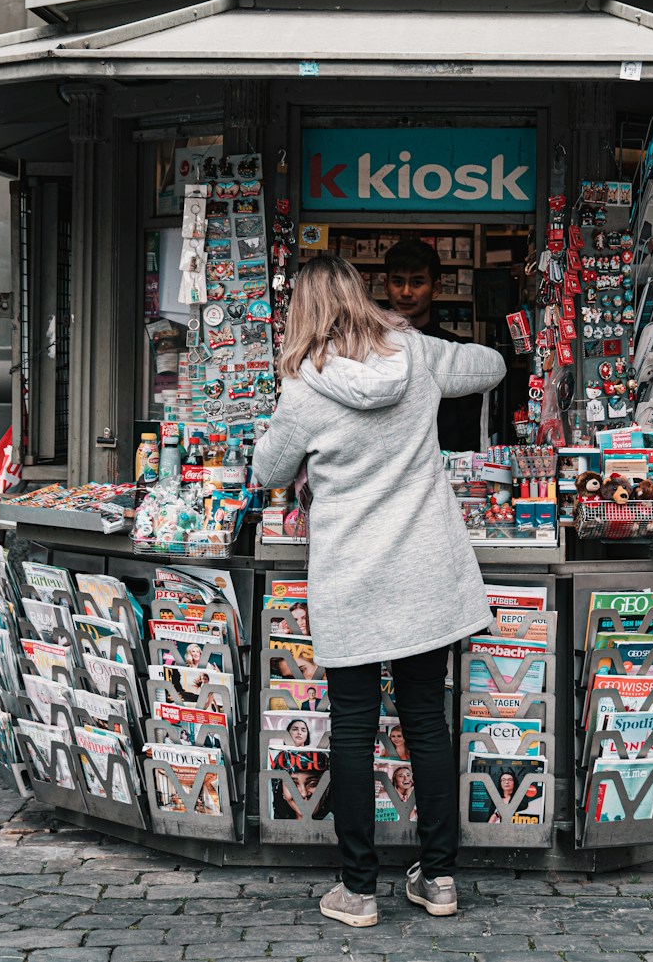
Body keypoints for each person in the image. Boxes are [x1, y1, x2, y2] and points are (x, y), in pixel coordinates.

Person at [255, 253, 505, 928]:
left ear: (301, 313)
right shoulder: (416, 352)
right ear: (362, 297)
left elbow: (266, 468)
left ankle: (358, 890)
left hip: (354, 580)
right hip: (425, 575)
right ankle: (441, 878)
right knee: (427, 721)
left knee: (354, 731)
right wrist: (408, 336)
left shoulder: (304, 387)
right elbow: (493, 366)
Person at [383, 238, 483, 450]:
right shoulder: (372, 347)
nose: (406, 292)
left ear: (436, 288)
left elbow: (470, 430)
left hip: (446, 472)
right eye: (398, 281)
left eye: (417, 282)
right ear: (386, 286)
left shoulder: (455, 350)